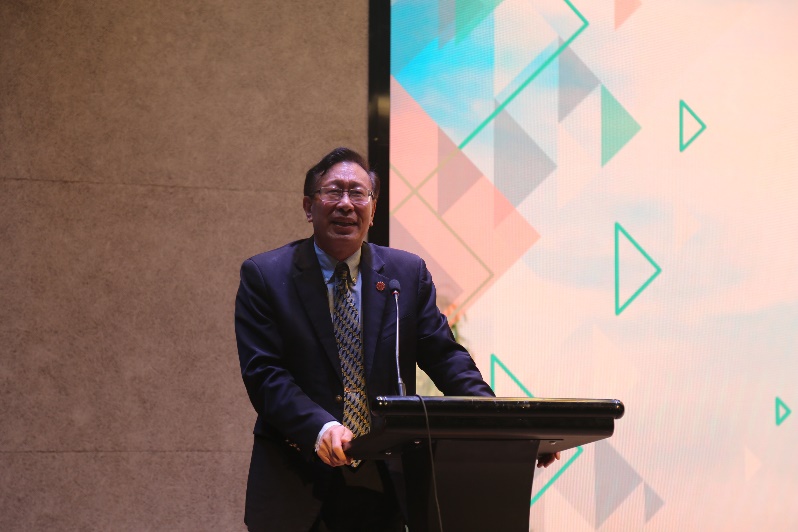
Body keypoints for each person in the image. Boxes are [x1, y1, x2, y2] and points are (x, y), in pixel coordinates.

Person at [235, 147, 558, 531]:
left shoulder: (405, 274)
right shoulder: (266, 276)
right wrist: (321, 427)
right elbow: (265, 375)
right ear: (309, 206)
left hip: (384, 482)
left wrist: (499, 429)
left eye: (358, 193)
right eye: (333, 191)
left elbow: (445, 358)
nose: (345, 204)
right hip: (296, 480)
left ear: (373, 209)